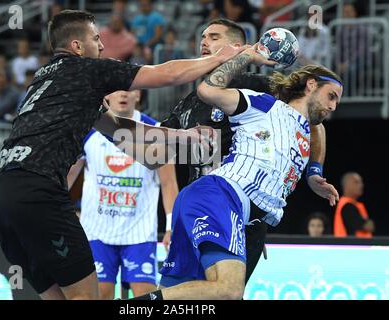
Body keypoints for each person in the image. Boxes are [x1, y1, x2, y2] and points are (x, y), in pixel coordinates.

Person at [0, 9, 245, 300]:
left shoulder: (49, 80)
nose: (101, 46)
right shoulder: (88, 69)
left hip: (0, 199)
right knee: (85, 297)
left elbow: (124, 131)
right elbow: (167, 74)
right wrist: (220, 58)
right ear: (77, 47)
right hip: (39, 192)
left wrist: (183, 137)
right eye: (96, 39)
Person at [133, 55, 343, 300]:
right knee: (230, 290)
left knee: (178, 297)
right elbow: (207, 90)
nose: (333, 106)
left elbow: (319, 131)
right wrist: (245, 56)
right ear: (310, 85)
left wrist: (314, 173)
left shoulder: (304, 132)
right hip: (219, 197)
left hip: (216, 205)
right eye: (331, 96)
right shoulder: (265, 105)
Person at [72, 89, 178, 300]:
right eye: (116, 90)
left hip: (138, 232)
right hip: (96, 230)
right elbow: (67, 176)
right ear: (106, 96)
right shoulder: (88, 128)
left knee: (144, 296)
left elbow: (168, 183)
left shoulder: (155, 131)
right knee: (100, 294)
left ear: (137, 95)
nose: (122, 94)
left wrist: (170, 227)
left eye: (128, 90)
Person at [334, 172, 374, 237]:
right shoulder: (347, 206)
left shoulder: (354, 205)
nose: (361, 185)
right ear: (346, 185)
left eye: (361, 182)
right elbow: (368, 226)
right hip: (350, 246)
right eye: (356, 182)